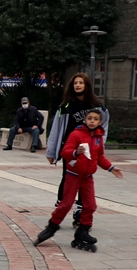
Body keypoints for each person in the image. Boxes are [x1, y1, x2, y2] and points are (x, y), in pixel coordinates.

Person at [35, 109, 123, 250]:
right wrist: (76, 153)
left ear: (100, 122)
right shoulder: (76, 134)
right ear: (85, 120)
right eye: (89, 118)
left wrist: (111, 168)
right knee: (66, 204)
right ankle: (51, 226)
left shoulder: (99, 138)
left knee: (90, 206)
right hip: (73, 176)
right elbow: (65, 152)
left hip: (87, 177)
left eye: (95, 119)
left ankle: (83, 231)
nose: (92, 121)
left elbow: (99, 157)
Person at [46, 73, 109, 227]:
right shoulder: (65, 106)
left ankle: (80, 213)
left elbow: (104, 127)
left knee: (85, 179)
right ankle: (60, 211)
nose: (78, 85)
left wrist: (99, 144)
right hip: (70, 149)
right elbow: (56, 128)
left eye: (81, 82)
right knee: (67, 178)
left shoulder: (98, 106)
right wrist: (51, 151)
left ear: (87, 85)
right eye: (75, 83)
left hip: (89, 149)